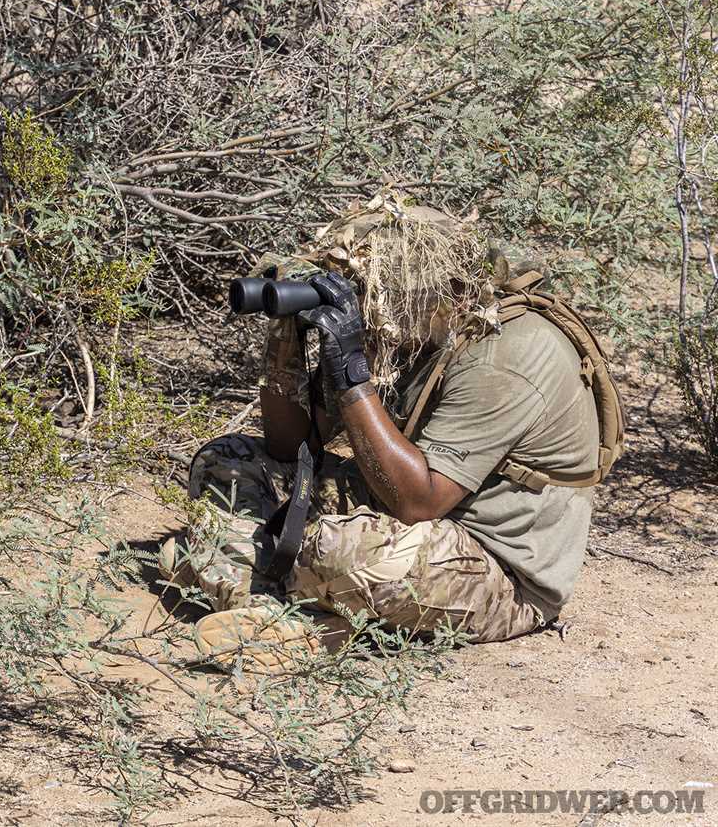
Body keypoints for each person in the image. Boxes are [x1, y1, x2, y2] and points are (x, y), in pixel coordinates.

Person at [161, 194, 610, 670]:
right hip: (407, 510)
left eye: (373, 286)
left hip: (501, 572)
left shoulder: (506, 354)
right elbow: (286, 448)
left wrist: (353, 375)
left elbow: (419, 502)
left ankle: (249, 581)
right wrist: (285, 336)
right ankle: (272, 611)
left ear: (435, 287)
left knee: (339, 551)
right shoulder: (412, 327)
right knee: (227, 460)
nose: (366, 300)